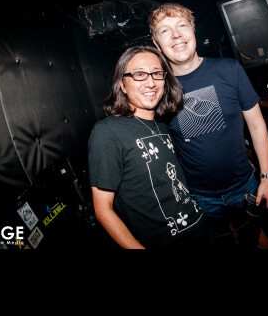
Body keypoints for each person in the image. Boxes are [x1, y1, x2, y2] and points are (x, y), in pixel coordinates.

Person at [149, 2, 268, 251]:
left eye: (182, 26)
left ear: (193, 31)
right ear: (156, 43)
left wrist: (267, 177)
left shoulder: (230, 69)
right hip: (200, 196)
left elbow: (257, 126)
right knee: (219, 243)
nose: (176, 35)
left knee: (250, 238)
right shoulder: (157, 90)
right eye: (165, 30)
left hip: (245, 185)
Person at [88, 45, 209, 250]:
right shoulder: (107, 132)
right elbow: (103, 210)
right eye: (139, 74)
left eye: (157, 74)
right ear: (122, 84)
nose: (151, 82)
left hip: (201, 232)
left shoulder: (162, 125)